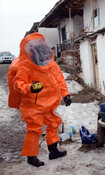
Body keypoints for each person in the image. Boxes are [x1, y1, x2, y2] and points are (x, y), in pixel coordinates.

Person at [7, 32, 72, 167]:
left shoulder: (51, 65)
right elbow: (17, 83)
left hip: (50, 103)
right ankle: (31, 158)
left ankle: (53, 151)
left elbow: (60, 80)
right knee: (34, 129)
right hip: (33, 104)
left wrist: (66, 95)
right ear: (31, 52)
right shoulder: (24, 66)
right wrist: (30, 87)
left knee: (53, 124)